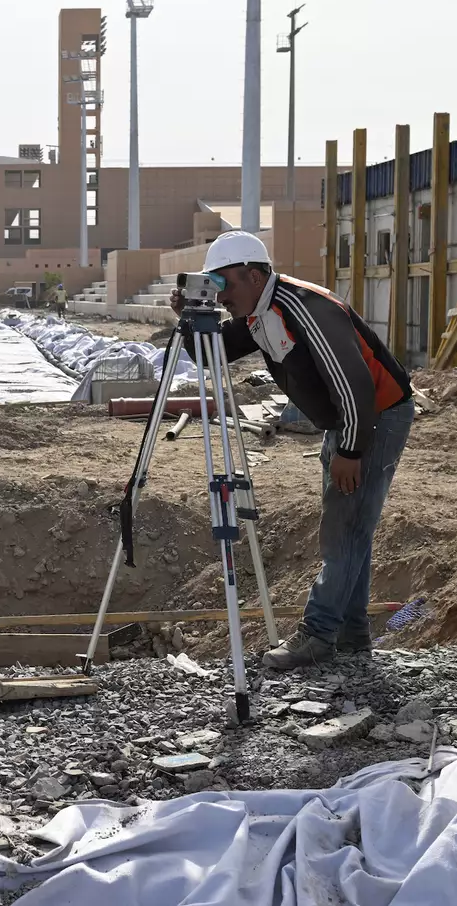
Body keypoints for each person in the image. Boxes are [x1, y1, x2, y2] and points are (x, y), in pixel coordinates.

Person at [168, 230, 413, 670]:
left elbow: (354, 384)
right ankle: (351, 635)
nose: (221, 297)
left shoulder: (304, 308)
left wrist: (351, 450)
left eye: (225, 285)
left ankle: (318, 635)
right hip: (346, 421)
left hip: (375, 416)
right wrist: (190, 320)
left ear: (255, 275)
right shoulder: (261, 311)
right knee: (349, 526)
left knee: (345, 529)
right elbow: (214, 353)